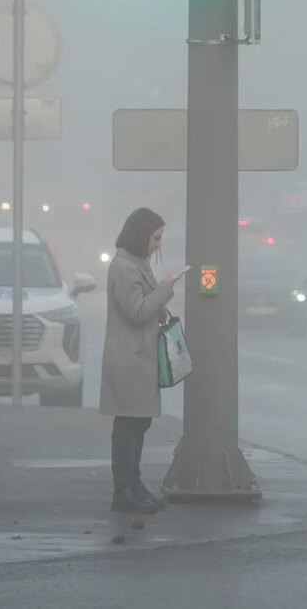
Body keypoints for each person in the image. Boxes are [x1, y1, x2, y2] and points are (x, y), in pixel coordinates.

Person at [100, 208, 182, 514]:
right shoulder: (123, 267)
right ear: (141, 235)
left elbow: (147, 307)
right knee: (128, 426)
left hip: (140, 357)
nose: (158, 245)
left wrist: (161, 298)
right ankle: (123, 491)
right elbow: (137, 312)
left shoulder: (137, 264)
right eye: (156, 237)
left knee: (139, 423)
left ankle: (133, 485)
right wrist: (166, 288)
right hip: (129, 359)